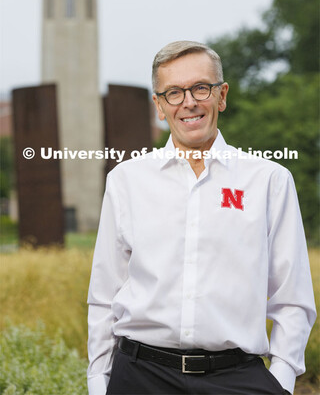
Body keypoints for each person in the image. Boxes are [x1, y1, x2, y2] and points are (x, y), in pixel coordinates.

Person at [87, 41, 316, 395]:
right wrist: (99, 382)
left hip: (238, 377)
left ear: (221, 96)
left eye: (200, 88)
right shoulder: (126, 180)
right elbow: (105, 293)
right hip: (140, 377)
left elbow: (292, 298)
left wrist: (282, 378)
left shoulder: (269, 180)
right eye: (174, 93)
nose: (188, 102)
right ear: (159, 106)